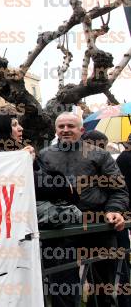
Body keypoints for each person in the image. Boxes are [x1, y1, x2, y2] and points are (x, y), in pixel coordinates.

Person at [39, 112, 128, 307]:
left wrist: (114, 210)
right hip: (60, 232)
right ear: (56, 130)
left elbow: (119, 190)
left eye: (70, 126)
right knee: (62, 290)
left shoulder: (100, 155)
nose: (65, 130)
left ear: (81, 130)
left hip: (97, 228)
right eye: (61, 127)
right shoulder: (44, 156)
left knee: (104, 288)